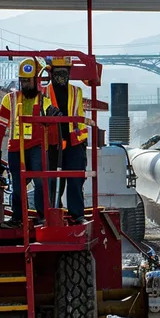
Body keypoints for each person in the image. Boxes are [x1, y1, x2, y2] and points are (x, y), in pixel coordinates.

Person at [0, 58, 54, 228]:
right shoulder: (9, 99)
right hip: (16, 149)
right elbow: (0, 127)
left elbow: (50, 117)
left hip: (37, 147)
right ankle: (18, 218)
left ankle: (42, 217)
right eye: (22, 80)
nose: (24, 84)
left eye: (28, 80)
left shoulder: (43, 99)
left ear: (35, 80)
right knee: (17, 185)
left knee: (40, 183)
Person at [44, 55, 88, 225]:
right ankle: (54, 213)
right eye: (58, 72)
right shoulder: (44, 92)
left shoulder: (77, 91)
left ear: (69, 72)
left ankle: (77, 215)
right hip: (52, 143)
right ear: (51, 72)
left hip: (74, 142)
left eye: (64, 72)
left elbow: (78, 115)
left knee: (75, 180)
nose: (61, 76)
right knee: (53, 181)